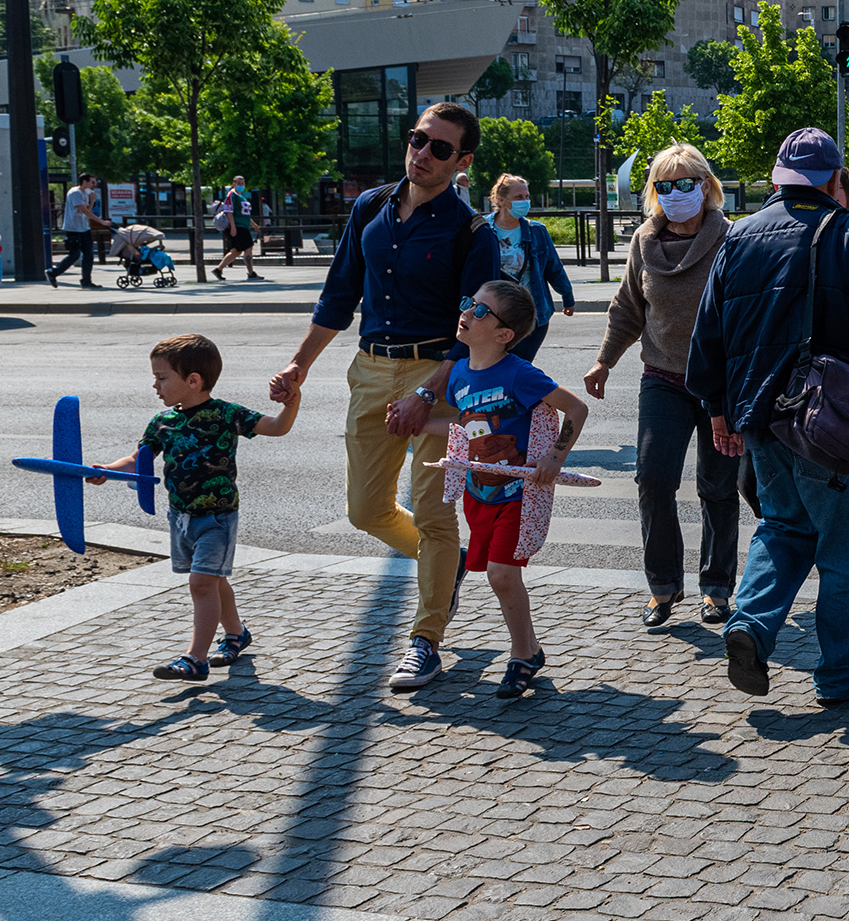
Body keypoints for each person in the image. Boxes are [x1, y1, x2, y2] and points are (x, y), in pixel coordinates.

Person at [270, 101, 497, 692]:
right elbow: (338, 294)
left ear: (462, 161)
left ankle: (427, 641)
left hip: (440, 383)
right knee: (365, 511)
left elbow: (478, 330)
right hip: (370, 370)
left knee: (434, 513)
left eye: (439, 149)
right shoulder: (370, 207)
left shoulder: (473, 233)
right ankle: (442, 572)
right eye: (418, 139)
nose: (422, 153)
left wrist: (427, 391)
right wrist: (299, 364)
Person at [688, 127, 849, 707]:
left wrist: (718, 410)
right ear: (835, 180)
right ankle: (840, 675)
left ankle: (750, 625)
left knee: (781, 528)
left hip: (757, 416)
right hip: (826, 421)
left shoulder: (737, 238)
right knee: (844, 549)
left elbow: (707, 335)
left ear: (778, 179)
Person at [585, 143, 739, 629]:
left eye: (685, 183)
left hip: (719, 385)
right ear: (653, 192)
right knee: (653, 479)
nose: (675, 194)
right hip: (663, 381)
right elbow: (629, 308)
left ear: (706, 186)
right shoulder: (643, 242)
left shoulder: (731, 239)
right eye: (664, 186)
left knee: (717, 486)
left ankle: (716, 589)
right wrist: (604, 361)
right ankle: (663, 587)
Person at [88, 334, 299, 681]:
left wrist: (292, 403)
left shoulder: (227, 414)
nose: (154, 384)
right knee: (213, 581)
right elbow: (136, 460)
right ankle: (237, 634)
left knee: (201, 583)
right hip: (180, 517)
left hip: (217, 517)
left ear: (193, 381)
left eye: (161, 377)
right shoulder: (161, 422)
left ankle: (195, 659)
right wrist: (105, 471)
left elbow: (276, 428)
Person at [429, 281, 587, 699]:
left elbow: (576, 408)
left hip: (518, 496)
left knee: (502, 574)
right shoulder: (459, 373)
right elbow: (465, 427)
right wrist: (412, 426)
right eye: (468, 302)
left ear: (504, 335)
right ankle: (530, 650)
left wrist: (554, 459)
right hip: (478, 493)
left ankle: (522, 655)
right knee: (498, 577)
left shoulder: (520, 373)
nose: (467, 312)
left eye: (481, 311)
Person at [485, 174, 576, 360]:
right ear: (500, 200)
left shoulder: (537, 231)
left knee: (519, 366)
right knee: (492, 367)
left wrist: (567, 297)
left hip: (532, 317)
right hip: (491, 316)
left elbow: (554, 267)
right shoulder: (483, 229)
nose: (525, 202)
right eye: (518, 197)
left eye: (527, 197)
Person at [49, 174, 108, 288]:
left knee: (89, 255)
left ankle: (86, 281)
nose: (94, 185)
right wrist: (102, 222)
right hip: (73, 229)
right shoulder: (75, 193)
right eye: (92, 182)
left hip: (84, 228)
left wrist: (92, 201)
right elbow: (84, 211)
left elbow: (85, 211)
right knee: (75, 254)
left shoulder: (85, 193)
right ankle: (53, 272)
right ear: (84, 182)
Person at [213, 176, 262, 281]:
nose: (241, 185)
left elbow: (245, 214)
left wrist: (253, 224)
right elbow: (229, 211)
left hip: (243, 225)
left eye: (243, 183)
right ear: (234, 183)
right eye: (239, 183)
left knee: (236, 251)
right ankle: (251, 272)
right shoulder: (231, 195)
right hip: (238, 227)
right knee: (248, 248)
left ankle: (218, 269)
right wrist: (233, 227)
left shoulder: (242, 196)